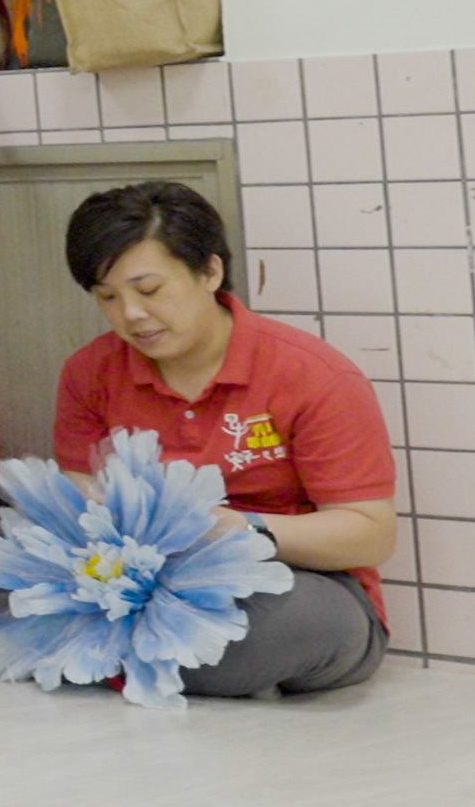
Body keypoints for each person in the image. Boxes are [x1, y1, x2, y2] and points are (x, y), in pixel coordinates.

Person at [51, 180, 399, 698]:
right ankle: (140, 658)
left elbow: (370, 533)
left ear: (210, 271)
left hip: (288, 582)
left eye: (148, 291)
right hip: (139, 588)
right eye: (108, 298)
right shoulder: (89, 372)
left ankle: (108, 661)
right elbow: (73, 493)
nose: (132, 315)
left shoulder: (313, 374)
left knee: (284, 625)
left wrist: (239, 530)